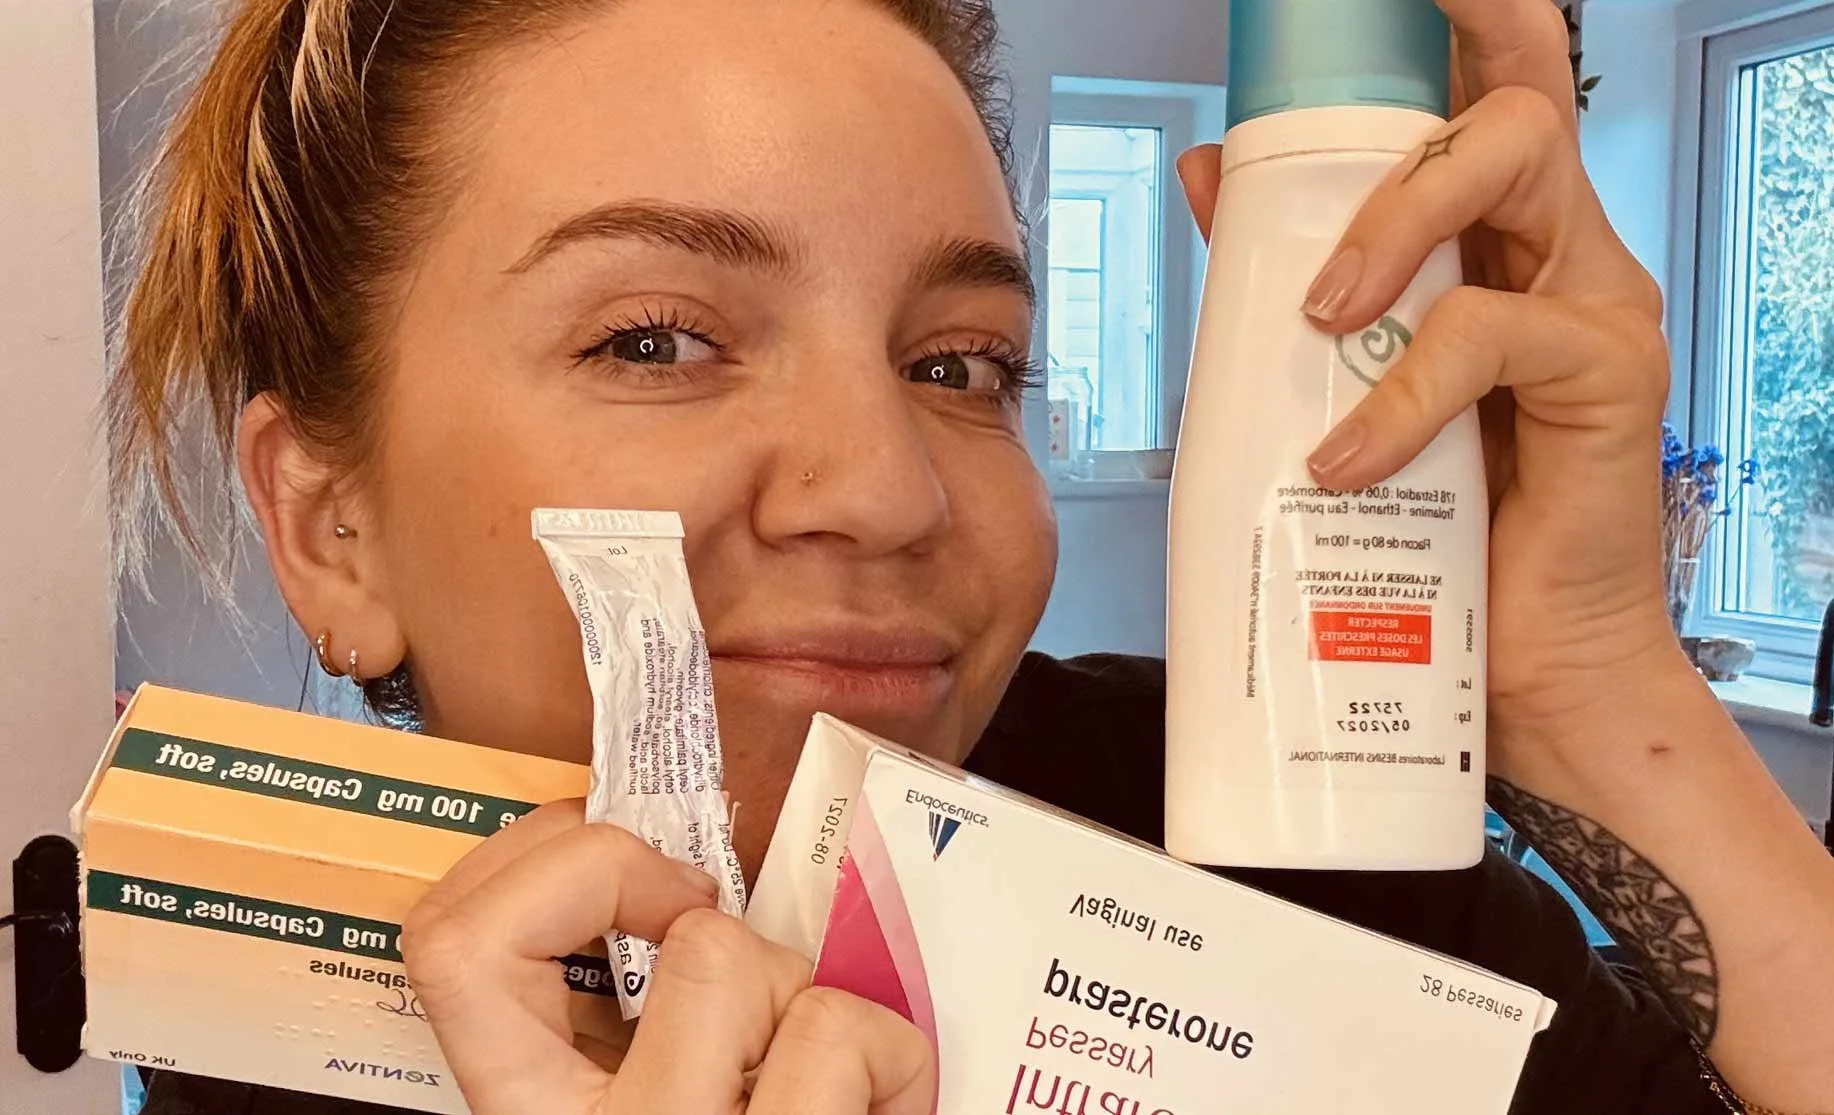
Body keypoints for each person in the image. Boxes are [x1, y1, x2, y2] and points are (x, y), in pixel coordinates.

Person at [107, 0, 1834, 1112]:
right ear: (329, 528)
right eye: (652, 339)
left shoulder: (1285, 842)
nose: (887, 490)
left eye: (960, 365)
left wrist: (1593, 688)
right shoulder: (254, 1044)